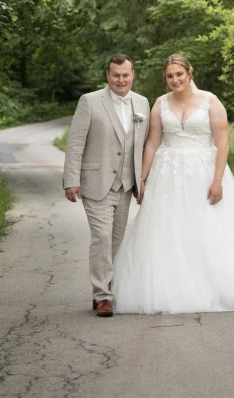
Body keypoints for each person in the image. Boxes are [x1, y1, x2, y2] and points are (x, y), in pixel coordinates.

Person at [112, 54, 234, 314]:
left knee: (207, 227)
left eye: (179, 74)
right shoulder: (160, 104)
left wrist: (217, 180)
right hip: (167, 173)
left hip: (204, 173)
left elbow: (222, 142)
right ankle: (176, 289)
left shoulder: (210, 101)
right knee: (169, 230)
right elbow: (152, 142)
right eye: (169, 76)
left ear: (190, 72)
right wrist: (143, 178)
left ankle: (217, 286)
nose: (175, 80)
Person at [62, 54, 150, 318]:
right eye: (115, 75)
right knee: (101, 237)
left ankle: (107, 289)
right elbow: (76, 143)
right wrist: (71, 179)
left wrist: (143, 180)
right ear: (108, 75)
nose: (120, 79)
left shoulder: (143, 103)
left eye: (125, 75)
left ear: (133, 74)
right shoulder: (89, 101)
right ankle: (102, 297)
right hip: (96, 182)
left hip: (125, 184)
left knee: (116, 240)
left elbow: (145, 144)